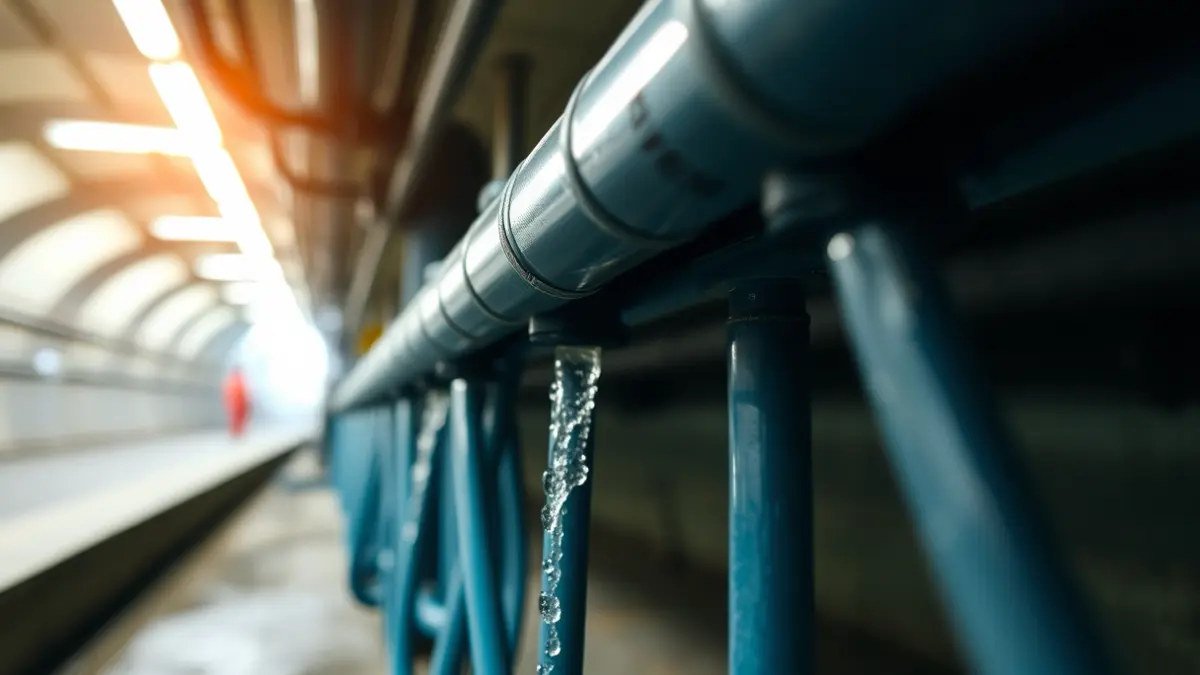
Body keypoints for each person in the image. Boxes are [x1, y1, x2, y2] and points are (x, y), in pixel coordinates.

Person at [222, 367, 250, 437]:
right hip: (236, 404)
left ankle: (237, 432)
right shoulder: (235, 381)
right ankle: (235, 432)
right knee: (235, 418)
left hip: (238, 404)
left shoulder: (238, 381)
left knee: (237, 418)